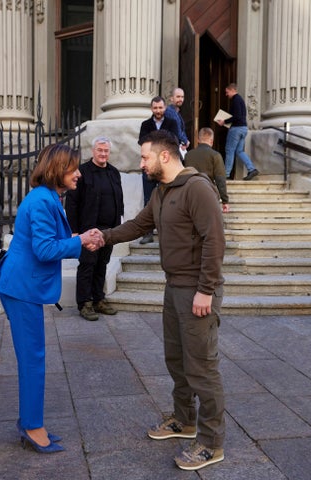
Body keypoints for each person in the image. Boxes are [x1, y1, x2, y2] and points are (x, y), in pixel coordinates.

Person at [99, 129, 226, 472]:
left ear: (164, 156)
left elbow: (215, 240)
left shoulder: (197, 188)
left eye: (145, 157)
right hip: (174, 288)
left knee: (202, 367)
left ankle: (211, 443)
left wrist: (206, 290)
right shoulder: (163, 192)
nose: (141, 163)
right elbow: (139, 225)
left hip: (197, 290)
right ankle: (184, 421)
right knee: (177, 360)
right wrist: (104, 237)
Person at [0, 143, 103, 453]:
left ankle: (31, 421)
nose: (79, 173)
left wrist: (79, 239)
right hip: (20, 288)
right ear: (58, 169)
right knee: (33, 359)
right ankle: (31, 426)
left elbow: (50, 241)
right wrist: (81, 240)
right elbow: (44, 250)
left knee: (34, 357)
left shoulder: (46, 197)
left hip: (21, 285)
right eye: (74, 168)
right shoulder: (42, 201)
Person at [65, 136, 124, 321]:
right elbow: (72, 203)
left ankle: (99, 299)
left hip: (109, 231)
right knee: (87, 265)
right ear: (93, 151)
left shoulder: (114, 173)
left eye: (106, 151)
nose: (103, 154)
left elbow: (119, 200)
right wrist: (74, 231)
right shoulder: (82, 172)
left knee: (102, 265)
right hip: (88, 230)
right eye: (100, 150)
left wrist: (118, 227)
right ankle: (85, 303)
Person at [138, 96, 181, 243]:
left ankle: (170, 232)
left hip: (166, 167)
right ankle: (148, 233)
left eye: (160, 108)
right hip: (150, 168)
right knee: (148, 200)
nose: (158, 110)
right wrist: (161, 139)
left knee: (171, 199)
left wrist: (153, 141)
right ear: (151, 108)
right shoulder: (145, 124)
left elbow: (175, 140)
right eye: (155, 108)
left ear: (165, 107)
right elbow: (142, 142)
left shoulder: (172, 122)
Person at [216, 83, 259, 181]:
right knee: (239, 151)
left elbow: (237, 116)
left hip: (236, 129)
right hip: (244, 128)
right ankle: (251, 169)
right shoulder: (240, 100)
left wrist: (224, 121)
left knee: (229, 150)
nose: (226, 95)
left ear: (232, 90)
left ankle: (226, 175)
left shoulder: (235, 100)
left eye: (227, 92)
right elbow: (240, 116)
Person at [184, 127, 230, 213]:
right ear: (212, 141)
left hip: (190, 194)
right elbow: (220, 179)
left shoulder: (188, 155)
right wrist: (225, 201)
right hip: (208, 194)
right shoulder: (215, 155)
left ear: (198, 140)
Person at [164, 87, 190, 155]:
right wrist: (185, 141)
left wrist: (184, 142)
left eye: (182, 97)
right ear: (171, 98)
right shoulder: (170, 112)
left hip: (177, 145)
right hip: (171, 147)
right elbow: (177, 130)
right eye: (178, 97)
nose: (180, 99)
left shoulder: (177, 112)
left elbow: (182, 130)